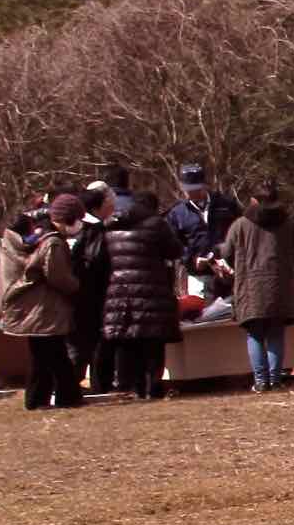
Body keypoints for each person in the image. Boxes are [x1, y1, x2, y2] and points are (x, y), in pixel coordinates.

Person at [224, 180, 294, 392]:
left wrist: (238, 268)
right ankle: (275, 380)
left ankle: (260, 381)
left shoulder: (240, 225)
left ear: (253, 200)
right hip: (280, 284)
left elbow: (227, 253)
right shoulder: (288, 224)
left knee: (255, 333)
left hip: (250, 286)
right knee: (276, 333)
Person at [0, 193, 89, 411]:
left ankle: (46, 398)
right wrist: (78, 286)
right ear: (69, 218)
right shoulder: (53, 242)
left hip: (26, 306)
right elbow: (58, 277)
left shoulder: (31, 237)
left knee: (44, 355)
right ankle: (60, 397)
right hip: (44, 308)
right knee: (54, 355)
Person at [101, 191, 184, 401]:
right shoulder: (156, 223)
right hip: (151, 287)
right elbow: (175, 250)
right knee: (153, 341)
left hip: (119, 290)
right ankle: (153, 387)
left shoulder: (110, 225)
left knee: (131, 341)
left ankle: (135, 387)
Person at [74, 182, 118, 393]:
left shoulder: (81, 229)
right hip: (94, 294)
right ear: (97, 207)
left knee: (88, 342)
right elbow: (96, 263)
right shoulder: (94, 231)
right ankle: (100, 384)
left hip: (85, 295)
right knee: (97, 341)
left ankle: (96, 383)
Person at [168, 164, 241, 288]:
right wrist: (192, 260)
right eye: (188, 190)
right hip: (198, 277)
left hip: (227, 272)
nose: (191, 193)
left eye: (195, 189)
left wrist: (227, 256)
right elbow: (175, 244)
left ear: (204, 185)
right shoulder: (177, 213)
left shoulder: (226, 204)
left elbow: (239, 233)